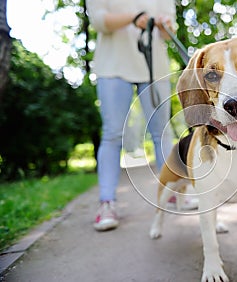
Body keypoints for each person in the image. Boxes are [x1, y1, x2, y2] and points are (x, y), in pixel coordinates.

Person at [87, 0, 180, 231]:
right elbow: (99, 21)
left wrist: (163, 25)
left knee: (162, 132)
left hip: (154, 66)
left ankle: (172, 193)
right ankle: (107, 203)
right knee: (111, 135)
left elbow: (169, 33)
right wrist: (133, 17)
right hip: (112, 66)